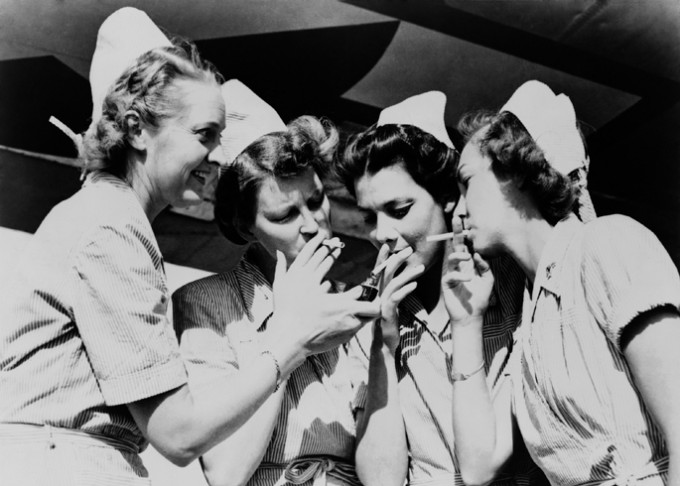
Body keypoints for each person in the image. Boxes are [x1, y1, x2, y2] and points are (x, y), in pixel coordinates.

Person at [0, 8, 378, 485]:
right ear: (137, 129)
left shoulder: (104, 215)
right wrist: (292, 337)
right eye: (205, 135)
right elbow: (178, 434)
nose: (220, 155)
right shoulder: (113, 227)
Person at [447, 80, 680, 486]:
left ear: (515, 171)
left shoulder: (608, 243)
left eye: (467, 183)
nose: (458, 210)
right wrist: (466, 325)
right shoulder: (528, 316)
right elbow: (477, 467)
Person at [334, 91, 546, 486]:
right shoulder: (374, 317)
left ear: (449, 197)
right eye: (369, 217)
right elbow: (381, 479)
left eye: (399, 211)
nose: (382, 235)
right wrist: (383, 348)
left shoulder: (516, 284)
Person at [172, 79, 376, 486]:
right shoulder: (206, 305)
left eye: (317, 201)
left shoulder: (353, 306)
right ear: (245, 227)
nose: (313, 225)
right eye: (284, 216)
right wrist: (290, 340)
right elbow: (226, 473)